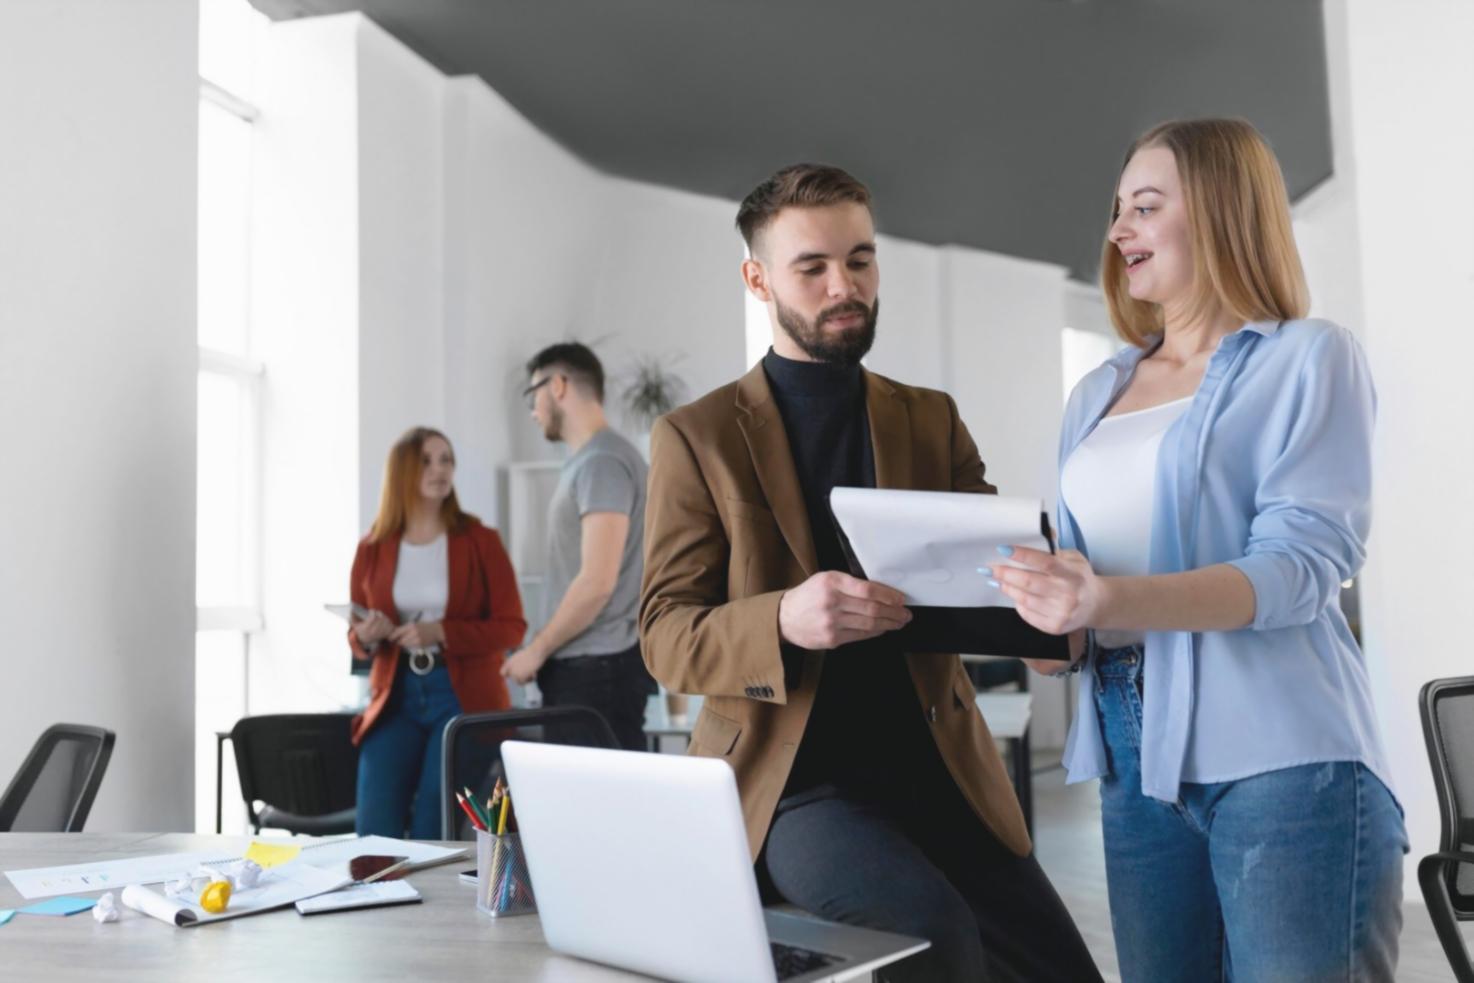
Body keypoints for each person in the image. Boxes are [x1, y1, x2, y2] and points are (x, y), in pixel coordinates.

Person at [640, 163, 1100, 982]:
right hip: (797, 788)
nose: (843, 284)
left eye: (860, 259)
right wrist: (782, 617)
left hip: (941, 768)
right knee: (935, 938)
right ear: (758, 279)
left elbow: (994, 573)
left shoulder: (929, 417)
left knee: (1063, 971)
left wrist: (1048, 617)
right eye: (811, 267)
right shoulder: (696, 436)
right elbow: (666, 635)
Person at [998, 119, 1407, 982]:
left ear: (1223, 214)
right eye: (1117, 211)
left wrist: (1104, 599)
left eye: (1145, 207)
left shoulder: (1307, 357)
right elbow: (1070, 616)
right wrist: (1033, 612)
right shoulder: (1096, 392)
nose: (1118, 232)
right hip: (1132, 761)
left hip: (1284, 759)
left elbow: (1298, 568)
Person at [348, 427, 526, 838]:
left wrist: (441, 631)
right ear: (402, 472)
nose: (439, 469)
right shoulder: (372, 547)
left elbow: (512, 627)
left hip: (460, 694)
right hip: (395, 694)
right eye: (427, 460)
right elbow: (357, 639)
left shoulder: (481, 540)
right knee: (374, 827)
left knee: (434, 823)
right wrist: (369, 636)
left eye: (446, 459)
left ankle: (433, 906)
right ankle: (379, 904)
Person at [502, 343, 656, 752]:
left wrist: (535, 652)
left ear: (558, 385)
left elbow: (597, 582)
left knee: (597, 811)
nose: (533, 411)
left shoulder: (601, 462)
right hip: (595, 671)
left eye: (533, 395)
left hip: (596, 675)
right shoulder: (596, 460)